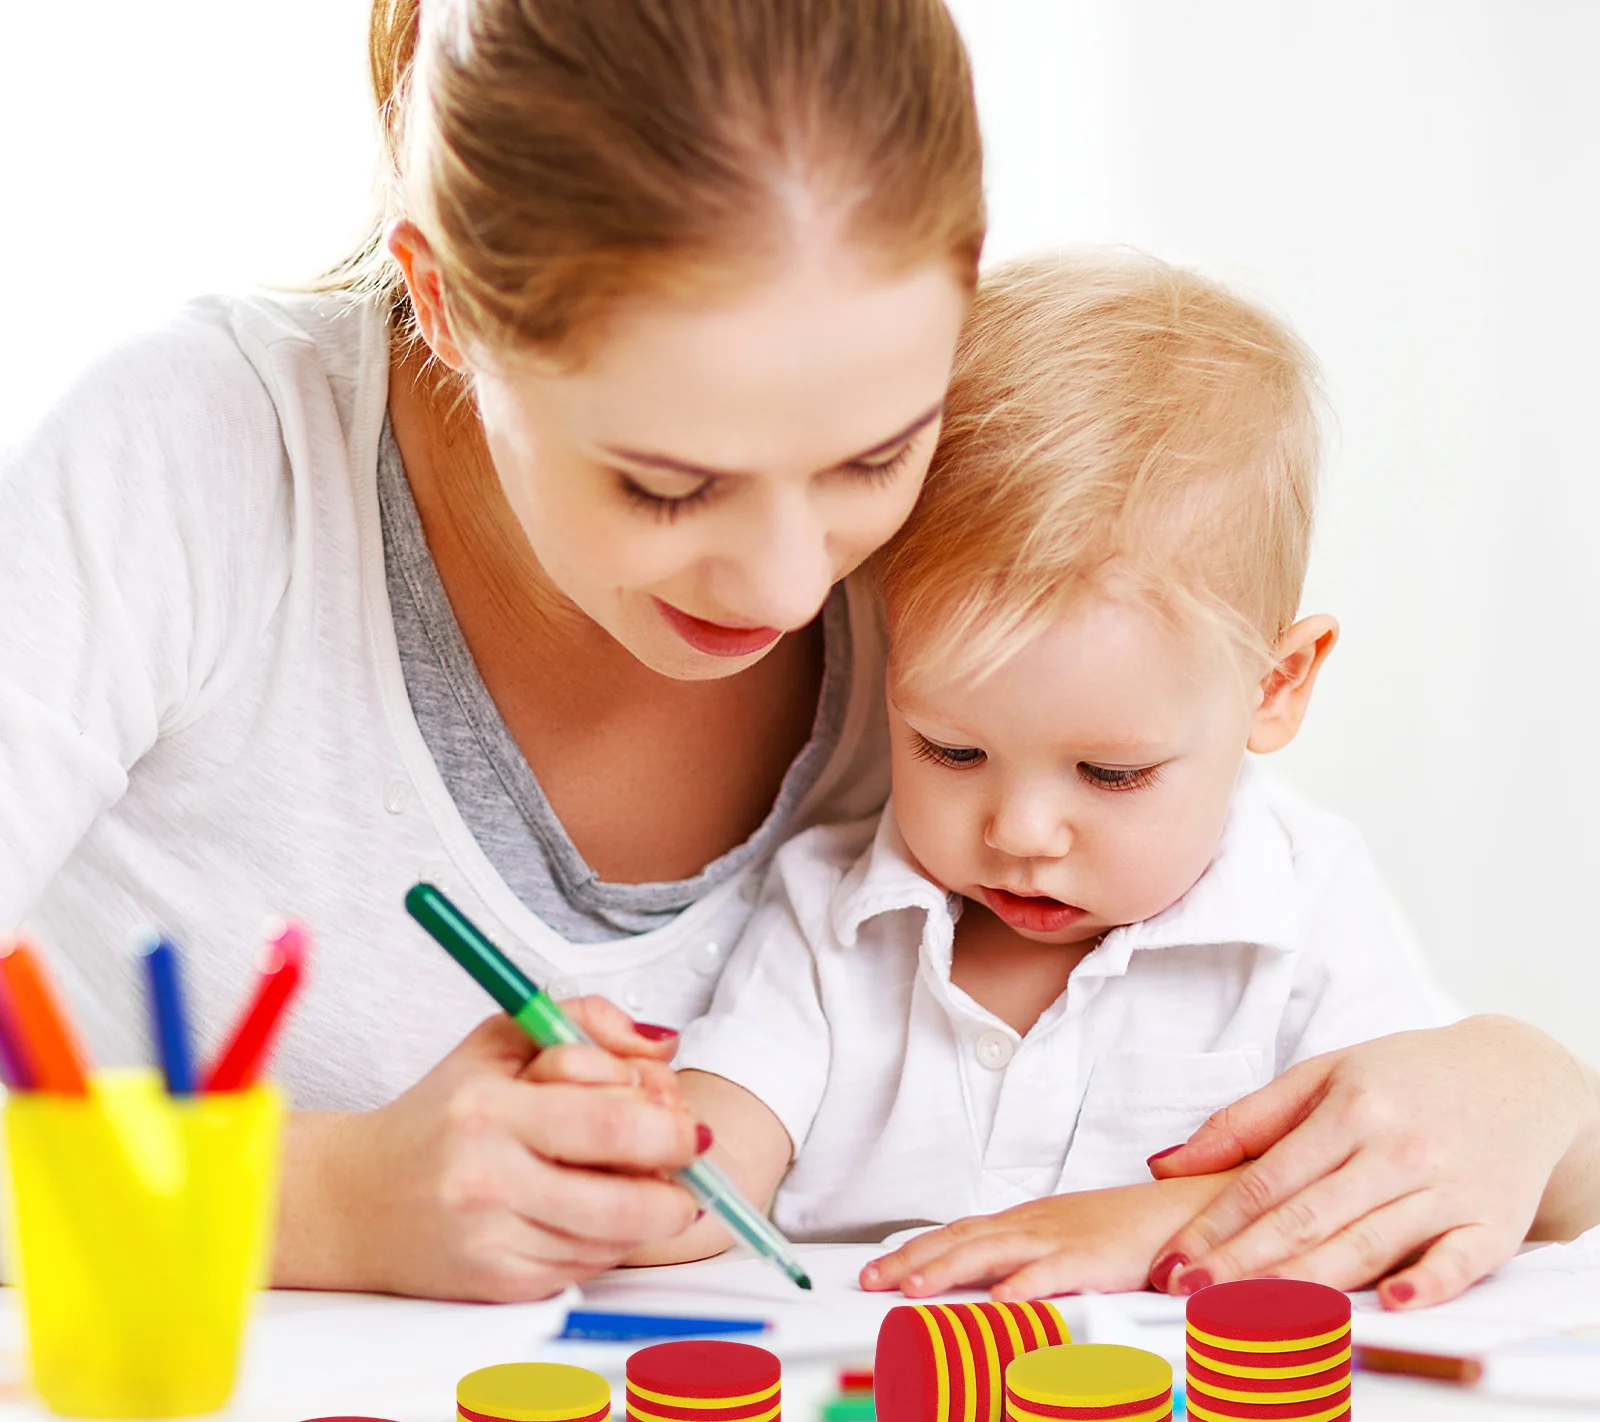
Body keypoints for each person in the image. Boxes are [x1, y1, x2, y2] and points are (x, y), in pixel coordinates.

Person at [2, 0, 1595, 1309]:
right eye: (666, 483)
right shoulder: (194, 470)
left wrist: (1530, 1087)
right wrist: (318, 1205)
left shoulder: (994, 560)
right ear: (445, 301)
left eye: (867, 460)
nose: (795, 583)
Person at [649, 255, 1600, 1310]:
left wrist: (1143, 1224)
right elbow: (708, 1173)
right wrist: (622, 1159)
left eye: (1110, 772)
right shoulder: (830, 910)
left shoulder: (1303, 907)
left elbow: (1381, 1186)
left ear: (1273, 686)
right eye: (950, 750)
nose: (1021, 830)